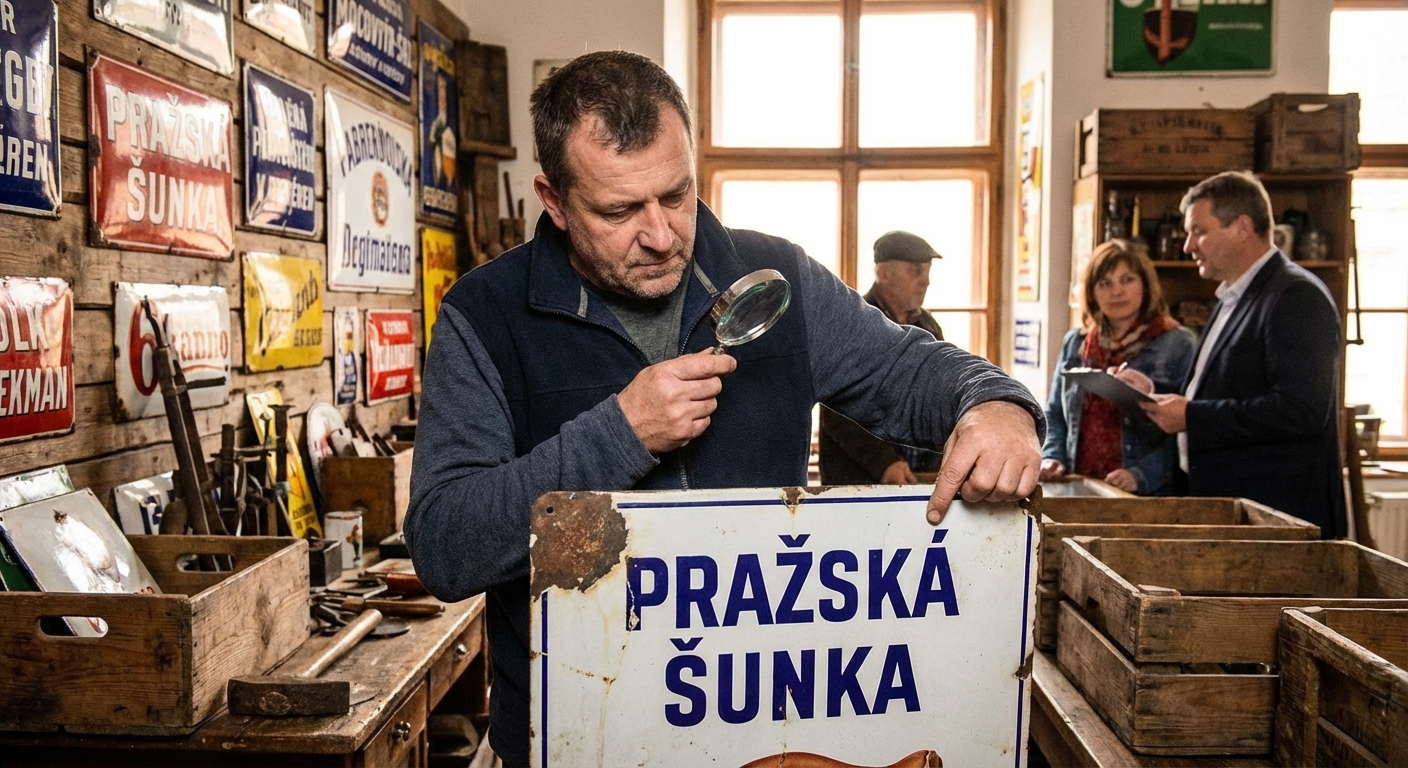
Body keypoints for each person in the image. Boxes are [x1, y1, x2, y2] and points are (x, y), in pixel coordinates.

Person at [403, 51, 1045, 766]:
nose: (661, 234)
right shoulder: (482, 315)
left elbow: (910, 367)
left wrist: (997, 403)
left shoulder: (778, 277)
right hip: (576, 743)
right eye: (618, 210)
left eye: (676, 194)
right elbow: (443, 546)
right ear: (553, 200)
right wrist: (618, 434)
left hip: (764, 738)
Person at [1138, 170, 1346, 535]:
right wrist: (1155, 390)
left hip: (1279, 518)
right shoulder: (1233, 294)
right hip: (1229, 508)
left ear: (1242, 227)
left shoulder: (1297, 296)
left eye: (1199, 231)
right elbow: (1229, 385)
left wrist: (1192, 416)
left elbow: (1302, 411)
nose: (1188, 245)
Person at [1039, 239, 1196, 495]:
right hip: (1080, 487)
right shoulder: (1076, 342)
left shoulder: (1179, 343)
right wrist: (1053, 456)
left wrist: (1141, 475)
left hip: (1147, 494)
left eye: (1127, 279)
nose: (1116, 292)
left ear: (1145, 284)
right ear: (1091, 292)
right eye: (1105, 283)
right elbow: (1055, 412)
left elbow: (1187, 428)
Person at [818, 231, 945, 484]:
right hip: (860, 486)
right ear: (884, 274)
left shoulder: (929, 328)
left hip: (920, 481)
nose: (926, 282)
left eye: (928, 272)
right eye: (916, 271)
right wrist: (884, 463)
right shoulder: (852, 324)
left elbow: (937, 399)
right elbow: (836, 411)